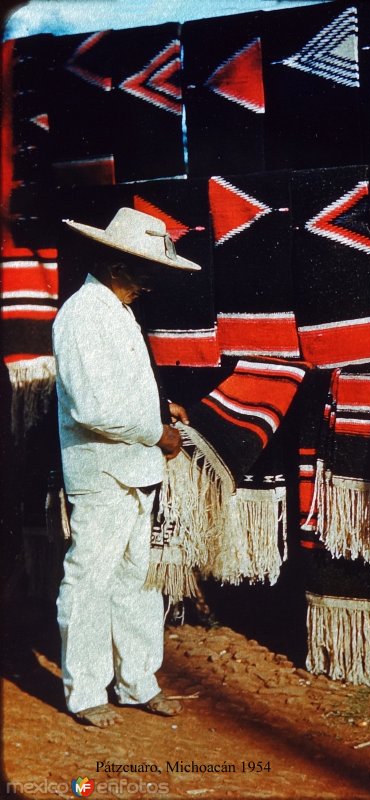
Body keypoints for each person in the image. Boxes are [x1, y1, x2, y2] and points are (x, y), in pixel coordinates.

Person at [53, 207, 200, 728]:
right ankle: (87, 690)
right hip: (102, 471)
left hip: (133, 468)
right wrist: (154, 432)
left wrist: (160, 413)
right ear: (115, 264)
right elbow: (90, 407)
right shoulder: (82, 314)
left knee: (136, 578)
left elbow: (119, 392)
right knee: (91, 578)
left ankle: (137, 682)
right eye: (142, 270)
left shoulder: (114, 311)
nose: (149, 282)